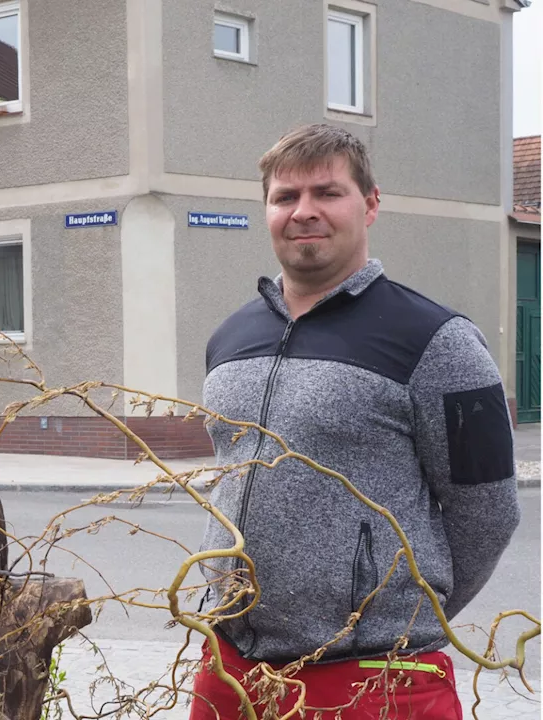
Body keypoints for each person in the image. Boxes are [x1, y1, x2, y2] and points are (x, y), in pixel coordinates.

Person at [189, 124, 520, 719]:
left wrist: (401, 618)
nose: (304, 212)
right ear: (266, 210)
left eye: (327, 193)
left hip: (376, 680)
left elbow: (488, 512)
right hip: (232, 668)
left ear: (369, 204)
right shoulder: (229, 339)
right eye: (285, 197)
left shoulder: (439, 342)